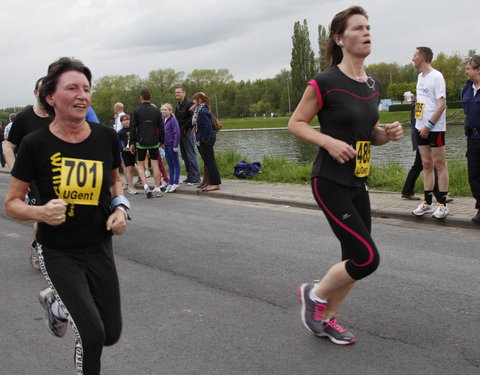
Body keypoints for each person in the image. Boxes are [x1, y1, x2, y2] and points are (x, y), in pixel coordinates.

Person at [4, 57, 128, 375]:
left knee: (111, 333)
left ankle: (56, 304)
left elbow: (115, 181)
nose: (82, 95)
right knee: (92, 335)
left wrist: (120, 208)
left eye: (86, 88)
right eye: (72, 88)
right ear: (51, 97)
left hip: (98, 245)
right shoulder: (35, 144)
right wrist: (40, 212)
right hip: (58, 250)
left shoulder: (105, 137)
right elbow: (12, 203)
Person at [288, 6, 403, 345]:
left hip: (358, 180)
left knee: (352, 257)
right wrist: (328, 141)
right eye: (358, 28)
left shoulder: (372, 84)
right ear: (340, 39)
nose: (367, 32)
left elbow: (370, 133)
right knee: (367, 259)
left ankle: (324, 319)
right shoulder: (324, 82)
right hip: (329, 182)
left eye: (369, 27)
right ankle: (314, 295)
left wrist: (387, 134)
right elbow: (296, 123)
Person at [4, 77, 53, 270]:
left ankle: (40, 245)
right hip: (33, 176)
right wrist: (18, 174)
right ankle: (40, 248)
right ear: (35, 93)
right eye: (43, 90)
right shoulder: (24, 119)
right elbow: (8, 147)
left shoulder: (57, 115)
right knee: (40, 215)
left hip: (58, 173)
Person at [411, 47, 449, 219]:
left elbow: (442, 104)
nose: (412, 59)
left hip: (435, 128)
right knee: (426, 164)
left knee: (439, 163)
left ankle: (442, 203)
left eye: (414, 55)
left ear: (422, 58)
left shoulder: (437, 76)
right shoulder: (420, 77)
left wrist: (429, 124)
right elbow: (424, 101)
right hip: (420, 127)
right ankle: (427, 201)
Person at [130, 88, 164, 198]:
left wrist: (132, 142)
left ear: (141, 98)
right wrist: (162, 141)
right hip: (154, 141)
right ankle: (157, 188)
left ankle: (146, 187)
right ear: (150, 97)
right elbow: (161, 127)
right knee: (155, 164)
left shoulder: (136, 111)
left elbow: (132, 128)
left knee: (140, 165)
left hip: (141, 141)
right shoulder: (156, 111)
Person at [461, 55, 480, 223]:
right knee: (473, 174)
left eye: (468, 69)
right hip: (472, 138)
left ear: (477, 69)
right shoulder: (466, 89)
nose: (466, 72)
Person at [192, 92, 221, 191]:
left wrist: (203, 139)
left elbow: (208, 128)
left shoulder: (203, 111)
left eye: (194, 99)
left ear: (199, 100)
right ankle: (208, 181)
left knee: (210, 161)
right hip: (202, 139)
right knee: (208, 161)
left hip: (206, 140)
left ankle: (215, 183)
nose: (193, 101)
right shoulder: (200, 110)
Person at [174, 87, 201, 185]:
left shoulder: (189, 104)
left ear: (184, 93)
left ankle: (196, 177)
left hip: (187, 132)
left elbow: (193, 118)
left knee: (191, 154)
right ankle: (189, 177)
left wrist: (184, 127)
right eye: (176, 92)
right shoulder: (179, 105)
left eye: (179, 92)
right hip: (181, 133)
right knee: (185, 156)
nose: (177, 94)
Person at [161, 103, 181, 193]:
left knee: (175, 163)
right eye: (162, 110)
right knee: (170, 165)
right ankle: (171, 182)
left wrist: (175, 145)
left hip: (172, 145)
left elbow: (177, 133)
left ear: (170, 111)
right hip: (165, 145)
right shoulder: (162, 119)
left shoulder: (173, 120)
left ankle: (176, 182)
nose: (164, 111)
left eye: (165, 109)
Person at [118, 114, 137, 195]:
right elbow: (119, 143)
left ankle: (131, 184)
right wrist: (123, 148)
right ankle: (130, 186)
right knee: (128, 169)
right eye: (125, 120)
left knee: (132, 168)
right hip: (125, 152)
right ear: (121, 122)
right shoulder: (120, 132)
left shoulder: (134, 130)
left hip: (134, 151)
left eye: (128, 119)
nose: (127, 121)